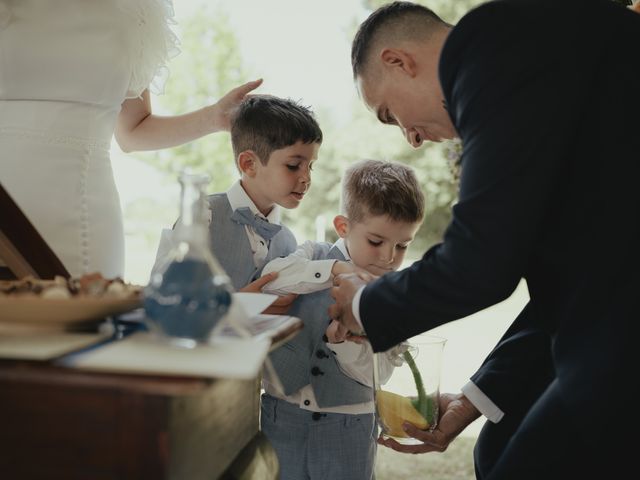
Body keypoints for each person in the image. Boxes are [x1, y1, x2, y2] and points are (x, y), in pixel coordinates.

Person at [328, 1, 640, 479]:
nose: (409, 138)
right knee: (498, 443)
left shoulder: (491, 48)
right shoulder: (524, 72)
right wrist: (477, 398)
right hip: (609, 308)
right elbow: (564, 289)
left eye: (389, 114)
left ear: (398, 61)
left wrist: (364, 305)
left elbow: (481, 263)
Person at [0, 0, 261, 279]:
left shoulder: (136, 9)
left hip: (85, 216)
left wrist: (213, 117)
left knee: (87, 319)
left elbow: (134, 130)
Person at [257, 159, 425, 480]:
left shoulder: (396, 294)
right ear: (344, 226)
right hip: (283, 415)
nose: (389, 257)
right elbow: (272, 278)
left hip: (348, 425)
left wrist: (343, 345)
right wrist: (334, 271)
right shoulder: (313, 255)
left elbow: (381, 374)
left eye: (402, 245)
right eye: (376, 241)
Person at [151, 95, 323, 314]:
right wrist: (235, 305)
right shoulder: (202, 216)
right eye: (293, 165)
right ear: (249, 164)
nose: (306, 178)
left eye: (311, 166)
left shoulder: (288, 241)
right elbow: (162, 298)